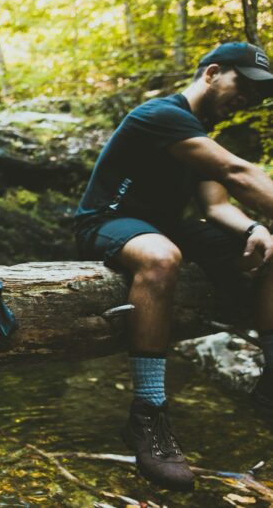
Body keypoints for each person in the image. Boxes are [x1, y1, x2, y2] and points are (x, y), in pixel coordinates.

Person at [74, 41, 273, 491]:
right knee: (162, 256)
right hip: (107, 221)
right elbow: (239, 174)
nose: (250, 98)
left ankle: (271, 385)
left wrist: (251, 231)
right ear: (212, 72)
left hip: (166, 226)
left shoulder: (199, 133)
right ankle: (148, 415)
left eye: (259, 95)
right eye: (245, 84)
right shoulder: (160, 116)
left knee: (271, 245)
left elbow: (217, 203)